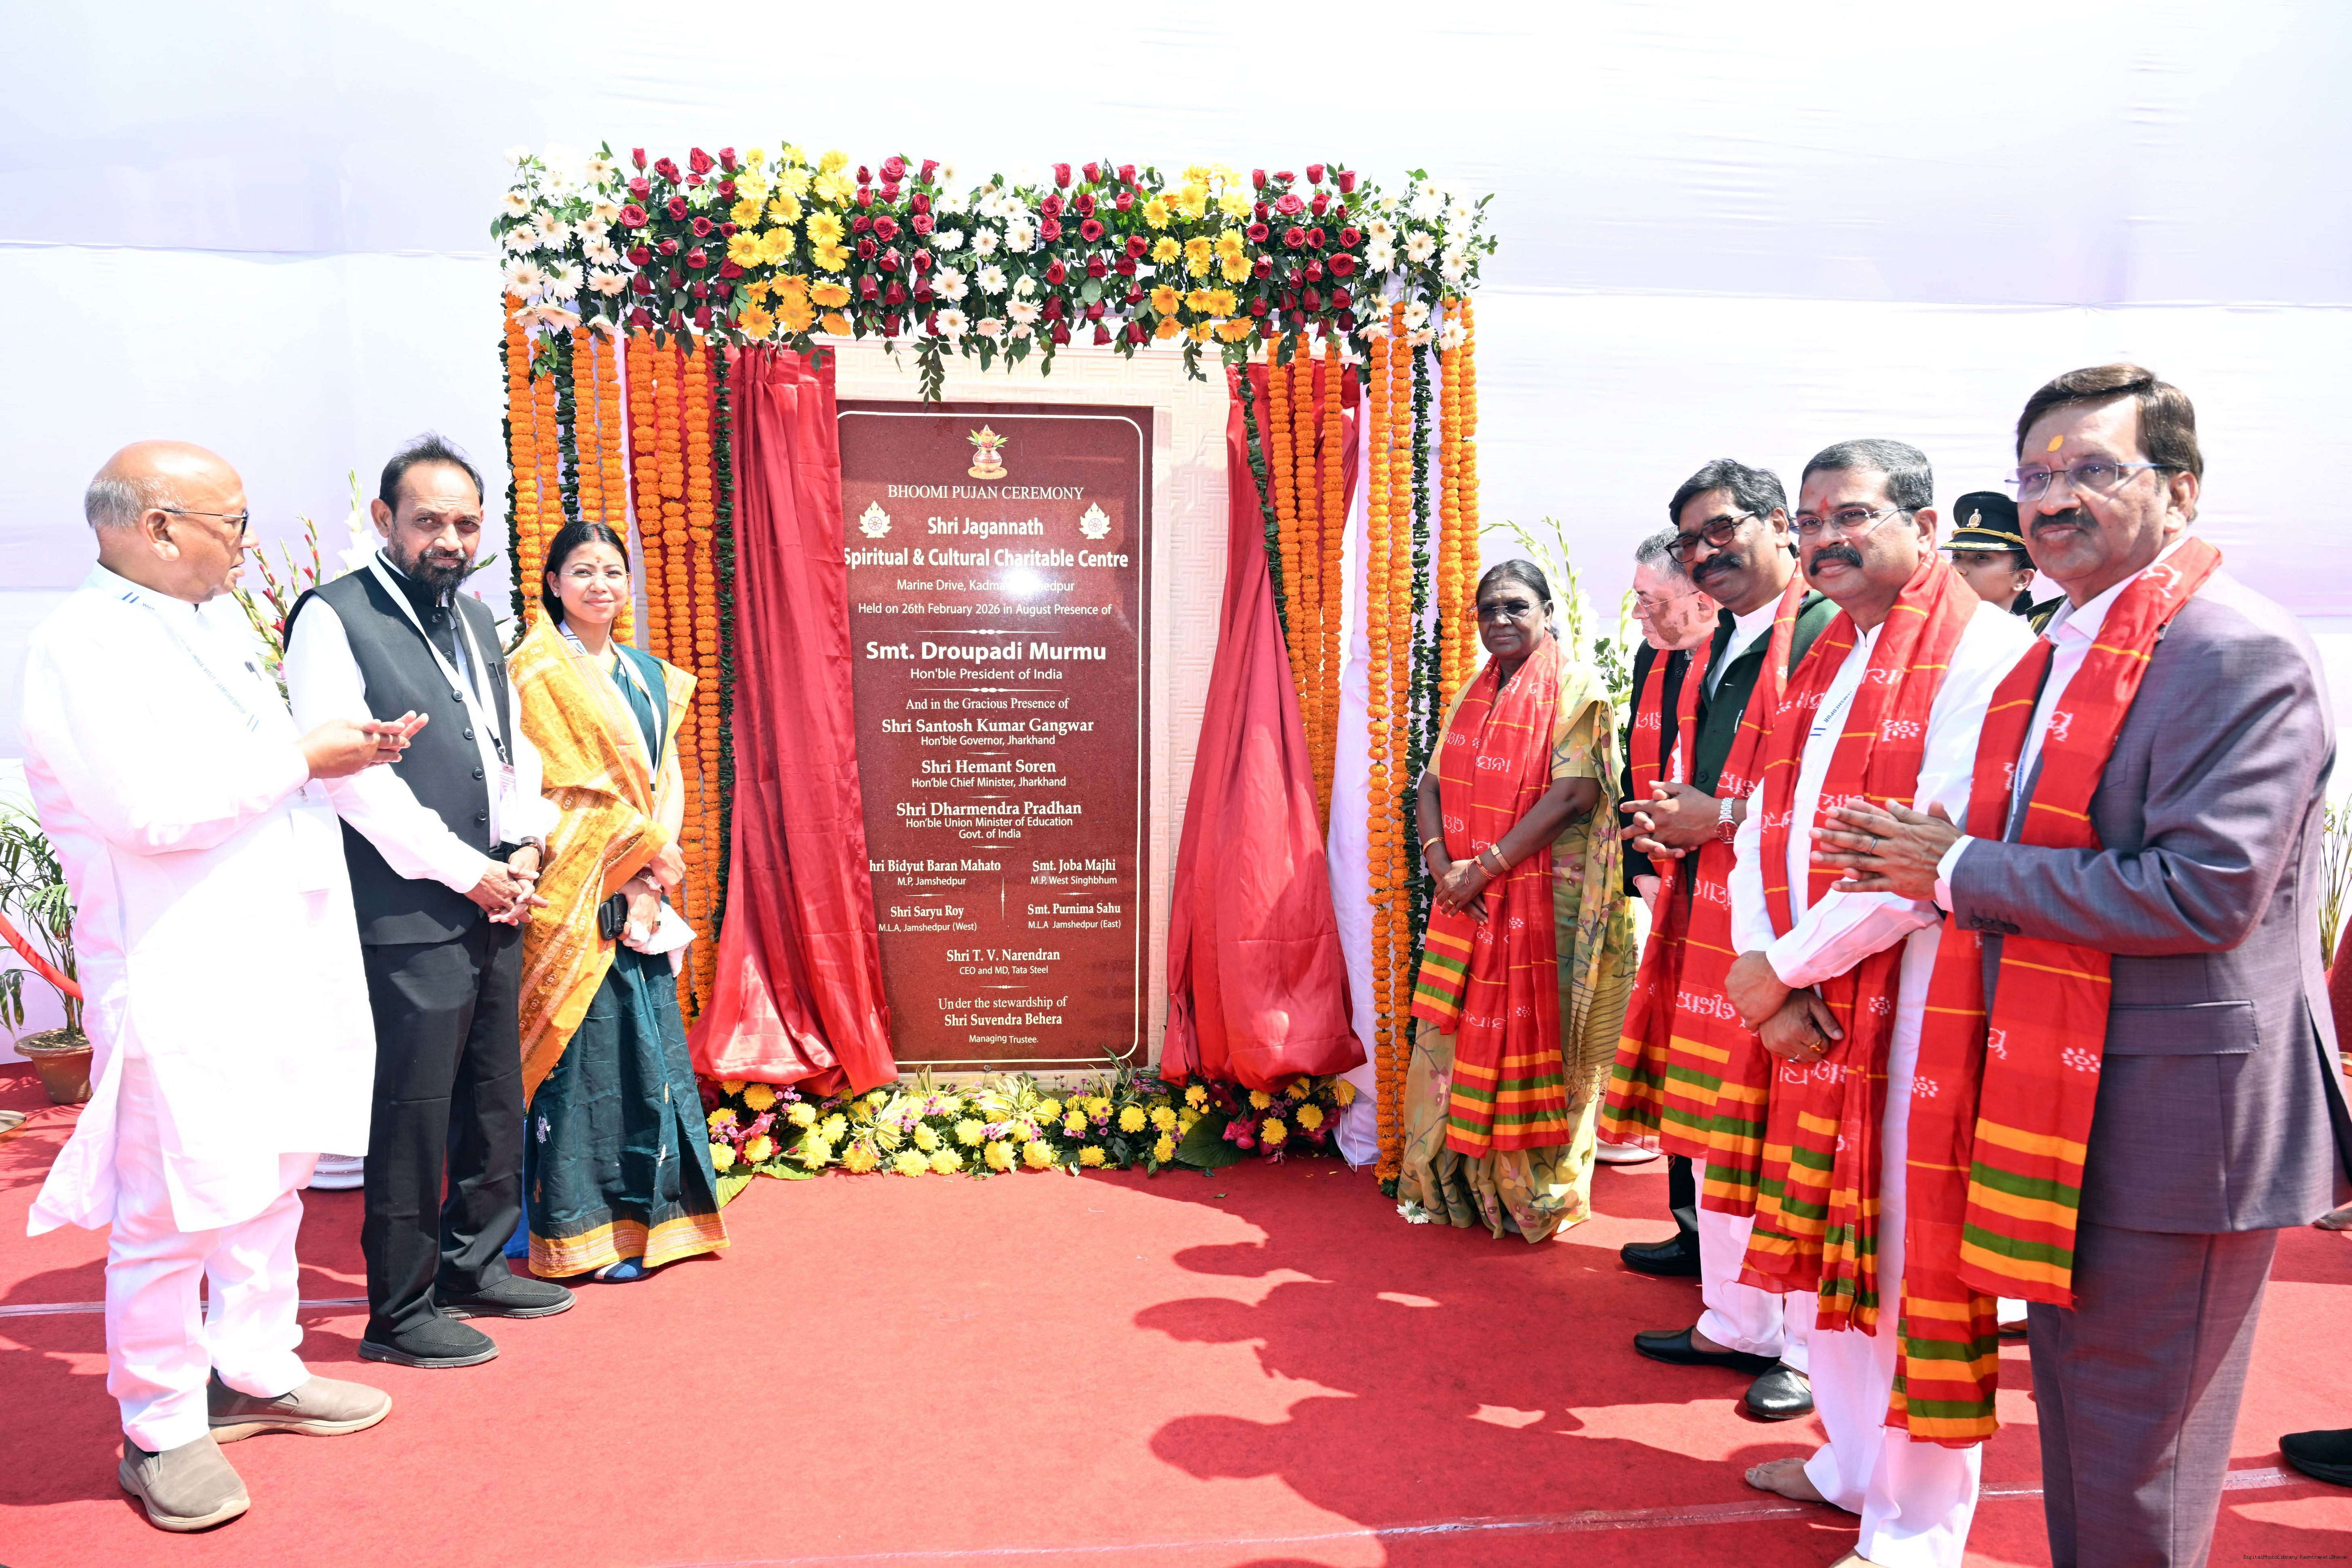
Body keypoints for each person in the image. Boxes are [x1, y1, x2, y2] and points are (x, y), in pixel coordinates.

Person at [1810, 366, 2351, 1567]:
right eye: (2034, 475)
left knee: (2135, 1465)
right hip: (2051, 1093)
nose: (2051, 499)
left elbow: (2201, 891)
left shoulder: (2232, 649)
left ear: (2181, 490)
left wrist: (1958, 868)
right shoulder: (2064, 642)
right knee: (2077, 1424)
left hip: (2175, 1122)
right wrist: (1932, 855)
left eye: (2093, 469)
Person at [21, 442, 412, 1530]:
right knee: (175, 1202)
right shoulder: (83, 645)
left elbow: (260, 771)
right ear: (155, 528)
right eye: (230, 522)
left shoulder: (214, 624)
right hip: (179, 968)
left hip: (276, 952)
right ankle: (160, 1424)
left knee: (273, 1176)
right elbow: (147, 812)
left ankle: (256, 1367)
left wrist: (338, 754)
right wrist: (303, 756)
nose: (246, 543)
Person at [1718, 439, 2034, 1568]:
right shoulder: (1825, 658)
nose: (1822, 539)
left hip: (1920, 1002)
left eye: (1849, 515)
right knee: (1831, 1249)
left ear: (1925, 525)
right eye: (1808, 522)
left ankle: (1912, 1527)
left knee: (1907, 1263)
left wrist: (1780, 969)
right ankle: (1849, 1465)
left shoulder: (1987, 651)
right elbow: (1760, 827)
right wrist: (1765, 976)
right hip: (1811, 1000)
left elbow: (1916, 861)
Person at [284, 434, 573, 1370]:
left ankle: (473, 1263)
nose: (449, 539)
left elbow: (509, 748)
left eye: (466, 523)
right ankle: (400, 1310)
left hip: (493, 890)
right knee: (410, 1105)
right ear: (384, 519)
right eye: (429, 521)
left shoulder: (473, 616)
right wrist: (464, 869)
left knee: (491, 1090)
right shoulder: (335, 617)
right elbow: (349, 777)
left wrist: (525, 843)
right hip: (406, 906)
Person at [1604, 458, 1837, 1423]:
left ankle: (1803, 1347)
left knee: (1787, 1138)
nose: (1705, 554)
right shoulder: (1726, 640)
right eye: (1689, 541)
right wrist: (1677, 822)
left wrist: (1723, 814)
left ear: (1780, 524)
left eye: (1721, 530)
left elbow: (1839, 787)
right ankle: (1736, 1318)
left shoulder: (1831, 630)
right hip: (1710, 910)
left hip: (1796, 925)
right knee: (1715, 1124)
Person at [510, 520, 729, 1281]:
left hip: (641, 888)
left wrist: (651, 878)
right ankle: (579, 1228)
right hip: (575, 888)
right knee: (584, 1057)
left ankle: (654, 1221)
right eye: (582, 570)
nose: (599, 584)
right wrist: (632, 865)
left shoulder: (647, 675)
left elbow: (663, 780)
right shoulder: (534, 672)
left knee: (647, 1051)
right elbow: (554, 790)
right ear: (552, 583)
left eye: (612, 570)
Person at [1396, 560, 1636, 1241]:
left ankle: (1527, 1192)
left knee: (1541, 1041)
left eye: (1515, 606)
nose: (1498, 619)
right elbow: (1429, 785)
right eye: (1487, 609)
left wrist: (1483, 869)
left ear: (1547, 612)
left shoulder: (1577, 688)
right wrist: (1444, 868)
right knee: (1452, 1041)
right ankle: (1452, 1179)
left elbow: (1574, 795)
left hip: (1544, 905)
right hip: (1467, 900)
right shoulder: (1472, 694)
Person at [1597, 530, 1718, 1172]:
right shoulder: (1654, 655)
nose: (1638, 613)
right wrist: (1641, 870)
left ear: (1700, 597)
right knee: (1673, 1026)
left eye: (1650, 600)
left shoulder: (1742, 654)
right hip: (1660, 876)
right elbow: (1633, 770)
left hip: (1722, 871)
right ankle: (1685, 1201)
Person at [1942, 490, 2053, 627]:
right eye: (1956, 557)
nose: (1957, 569)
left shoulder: (2021, 639)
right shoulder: (1929, 629)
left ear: (2022, 579)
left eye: (1982, 557)